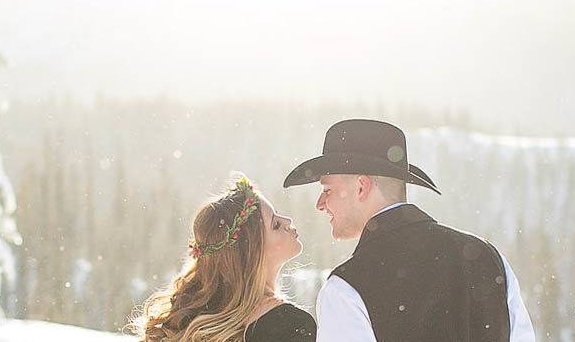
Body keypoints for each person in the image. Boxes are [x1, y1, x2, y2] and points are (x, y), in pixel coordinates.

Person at [284, 119, 535, 342]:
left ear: (362, 187)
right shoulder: (489, 259)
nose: (320, 203)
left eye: (327, 190)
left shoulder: (347, 289)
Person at [129, 174, 316, 342]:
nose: (288, 221)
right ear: (251, 253)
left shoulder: (195, 319)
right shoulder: (289, 327)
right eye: (275, 224)